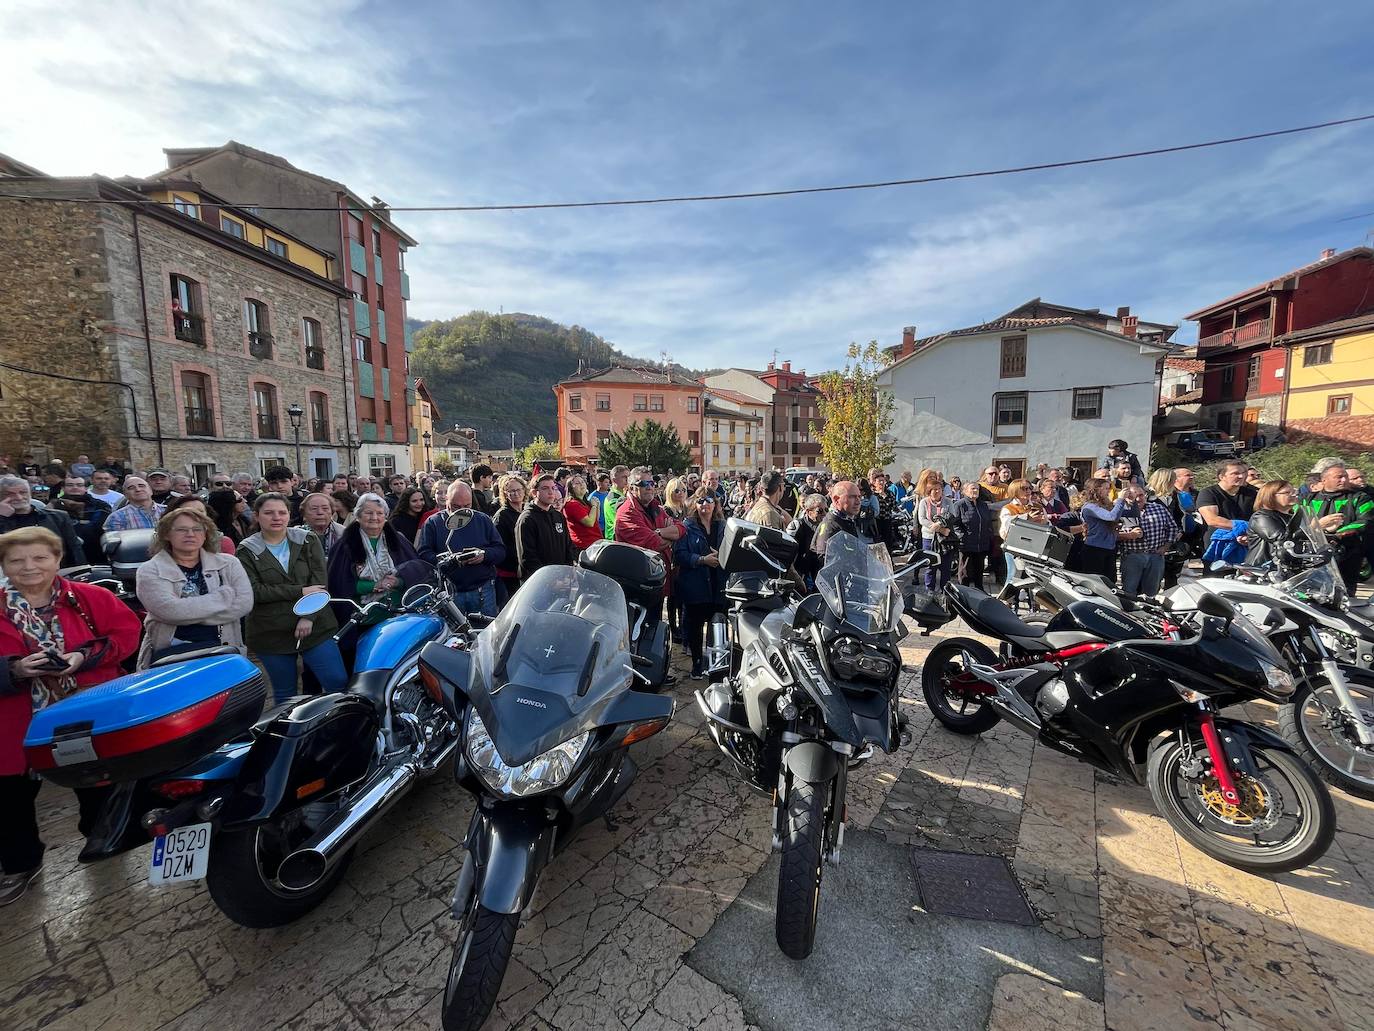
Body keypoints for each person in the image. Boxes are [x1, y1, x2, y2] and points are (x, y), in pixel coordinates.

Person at [0, 526, 141, 904]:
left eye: (39, 557)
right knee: (10, 796)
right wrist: (14, 670)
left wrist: (83, 656)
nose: (29, 567)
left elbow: (127, 634)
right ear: (4, 565)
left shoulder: (89, 597)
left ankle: (101, 837)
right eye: (17, 560)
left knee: (95, 780)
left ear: (57, 559)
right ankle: (20, 863)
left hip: (85, 709)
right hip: (13, 719)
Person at [238, 494, 347, 703]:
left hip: (316, 626)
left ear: (289, 515)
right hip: (271, 631)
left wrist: (308, 616)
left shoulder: (306, 539)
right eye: (269, 513)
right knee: (285, 694)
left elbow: (320, 583)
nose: (276, 517)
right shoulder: (247, 549)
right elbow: (255, 591)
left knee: (337, 682)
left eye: (282, 512)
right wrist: (300, 591)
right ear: (257, 516)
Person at [134, 509, 253, 668]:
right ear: (166, 534)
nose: (190, 534)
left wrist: (189, 614)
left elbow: (244, 604)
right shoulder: (149, 570)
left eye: (197, 529)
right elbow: (170, 611)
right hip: (172, 655)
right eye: (181, 529)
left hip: (226, 650)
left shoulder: (229, 563)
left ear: (205, 534)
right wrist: (222, 597)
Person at [327, 493, 428, 616]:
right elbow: (339, 583)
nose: (374, 517)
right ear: (358, 516)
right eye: (368, 513)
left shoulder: (398, 540)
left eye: (379, 513)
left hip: (400, 610)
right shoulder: (345, 544)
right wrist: (375, 585)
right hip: (362, 613)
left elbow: (415, 573)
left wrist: (398, 582)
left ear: (385, 517)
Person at [418, 481, 504, 618]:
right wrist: (448, 560)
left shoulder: (482, 520)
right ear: (446, 500)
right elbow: (423, 554)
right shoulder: (433, 522)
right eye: (456, 507)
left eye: (467, 506)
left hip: (482, 590)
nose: (462, 511)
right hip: (451, 592)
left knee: (486, 630)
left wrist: (484, 555)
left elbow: (500, 550)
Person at [674, 489, 726, 680]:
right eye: (701, 500)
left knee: (717, 626)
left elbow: (733, 551)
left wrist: (722, 556)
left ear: (715, 503)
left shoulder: (723, 526)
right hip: (695, 585)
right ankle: (697, 664)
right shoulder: (687, 526)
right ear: (695, 504)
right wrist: (702, 559)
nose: (705, 504)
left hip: (718, 585)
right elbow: (679, 555)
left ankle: (716, 665)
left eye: (709, 500)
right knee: (695, 628)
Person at [1300, 459, 1372, 592]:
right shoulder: (1307, 499)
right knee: (1314, 589)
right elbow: (1299, 522)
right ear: (1324, 480)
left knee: (1345, 591)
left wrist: (1338, 534)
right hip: (1313, 551)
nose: (1344, 480)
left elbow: (1366, 521)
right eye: (1339, 477)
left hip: (1348, 551)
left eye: (1345, 476)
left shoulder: (1360, 497)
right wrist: (1319, 527)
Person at [0, 476, 85, 569]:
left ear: (30, 493)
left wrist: (81, 572)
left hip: (57, 571)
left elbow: (75, 551)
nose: (19, 497)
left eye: (23, 492)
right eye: (10, 494)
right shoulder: (2, 519)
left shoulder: (58, 517)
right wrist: (3, 518)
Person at [1117, 485, 1178, 597]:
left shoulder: (1158, 508)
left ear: (1145, 495)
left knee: (1152, 592)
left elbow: (1172, 528)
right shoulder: (1119, 511)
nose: (1138, 499)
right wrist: (1129, 535)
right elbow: (1111, 534)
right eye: (1132, 496)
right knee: (1128, 591)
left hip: (1155, 555)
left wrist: (1166, 547)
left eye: (1140, 495)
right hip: (1132, 555)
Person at [518, 474, 576, 580]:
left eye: (553, 488)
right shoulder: (527, 519)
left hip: (561, 577)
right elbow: (527, 557)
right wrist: (549, 580)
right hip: (539, 581)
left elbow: (568, 546)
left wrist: (567, 573)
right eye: (545, 488)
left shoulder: (558, 516)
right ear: (534, 492)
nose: (551, 492)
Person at [51, 474, 112, 565]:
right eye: (70, 485)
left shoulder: (100, 506)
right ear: (63, 488)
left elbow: (103, 528)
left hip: (95, 555)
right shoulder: (53, 506)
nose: (75, 488)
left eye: (79, 485)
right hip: (63, 555)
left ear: (86, 488)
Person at [1197, 460, 1255, 555]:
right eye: (1235, 473)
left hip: (1248, 544)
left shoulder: (1252, 493)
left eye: (1244, 472)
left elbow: (1261, 516)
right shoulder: (1208, 493)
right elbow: (1212, 520)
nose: (1241, 476)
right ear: (1221, 476)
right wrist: (1243, 527)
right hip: (1219, 546)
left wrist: (1251, 534)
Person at [1077, 478, 1128, 584]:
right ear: (1096, 490)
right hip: (1094, 549)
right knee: (1095, 582)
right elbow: (1112, 517)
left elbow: (1134, 513)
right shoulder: (1089, 507)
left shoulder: (1107, 505)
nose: (1109, 491)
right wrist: (1121, 499)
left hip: (1109, 548)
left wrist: (1131, 499)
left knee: (1110, 582)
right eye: (1106, 488)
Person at [1245, 480, 1301, 568]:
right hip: (1265, 568)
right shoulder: (1261, 517)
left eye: (1294, 491)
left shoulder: (1292, 516)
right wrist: (1311, 528)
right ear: (1270, 496)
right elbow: (1282, 539)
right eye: (1287, 492)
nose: (1294, 495)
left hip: (1289, 566)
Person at [493, 474, 526, 607]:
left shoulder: (527, 511)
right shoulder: (501, 516)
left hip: (526, 569)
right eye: (511, 491)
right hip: (509, 574)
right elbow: (501, 546)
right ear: (505, 494)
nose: (516, 493)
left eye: (518, 490)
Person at [814, 479, 865, 560]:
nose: (858, 502)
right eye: (852, 497)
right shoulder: (830, 525)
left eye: (859, 497)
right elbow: (824, 557)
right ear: (836, 500)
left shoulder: (847, 520)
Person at [917, 482, 954, 590]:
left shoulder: (948, 502)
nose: (937, 491)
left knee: (945, 567)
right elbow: (922, 519)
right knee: (930, 567)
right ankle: (929, 591)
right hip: (929, 538)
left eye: (939, 489)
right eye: (934, 489)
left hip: (944, 539)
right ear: (929, 491)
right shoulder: (924, 502)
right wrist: (937, 528)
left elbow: (952, 516)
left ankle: (945, 591)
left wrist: (939, 524)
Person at [788, 493, 827, 589]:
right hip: (800, 574)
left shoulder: (826, 526)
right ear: (809, 512)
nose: (824, 514)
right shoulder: (797, 526)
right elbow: (788, 555)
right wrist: (796, 577)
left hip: (818, 574)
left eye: (826, 510)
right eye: (820, 511)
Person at [561, 475, 602, 554]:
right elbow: (589, 523)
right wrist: (594, 506)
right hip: (584, 546)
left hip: (594, 543)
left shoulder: (585, 503)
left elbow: (595, 520)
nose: (581, 484)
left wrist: (597, 506)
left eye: (583, 482)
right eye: (577, 483)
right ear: (571, 488)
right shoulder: (572, 504)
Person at [299, 492, 344, 558]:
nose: (320, 512)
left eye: (325, 508)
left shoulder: (344, 533)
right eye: (314, 508)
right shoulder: (295, 536)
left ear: (332, 512)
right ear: (304, 514)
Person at [601, 465, 630, 539]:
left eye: (628, 477)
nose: (627, 480)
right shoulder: (612, 498)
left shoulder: (623, 494)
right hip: (614, 539)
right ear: (614, 480)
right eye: (624, 477)